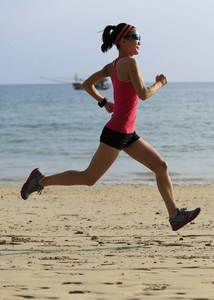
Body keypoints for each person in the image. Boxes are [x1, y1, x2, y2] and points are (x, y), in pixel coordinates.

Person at [21, 23, 200, 231]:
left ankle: (175, 216)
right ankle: (40, 180)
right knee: (88, 178)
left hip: (127, 132)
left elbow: (87, 84)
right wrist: (159, 83)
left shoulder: (113, 66)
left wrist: (103, 102)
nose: (139, 40)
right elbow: (143, 94)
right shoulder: (130, 64)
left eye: (139, 36)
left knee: (161, 167)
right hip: (116, 133)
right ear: (122, 41)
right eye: (135, 36)